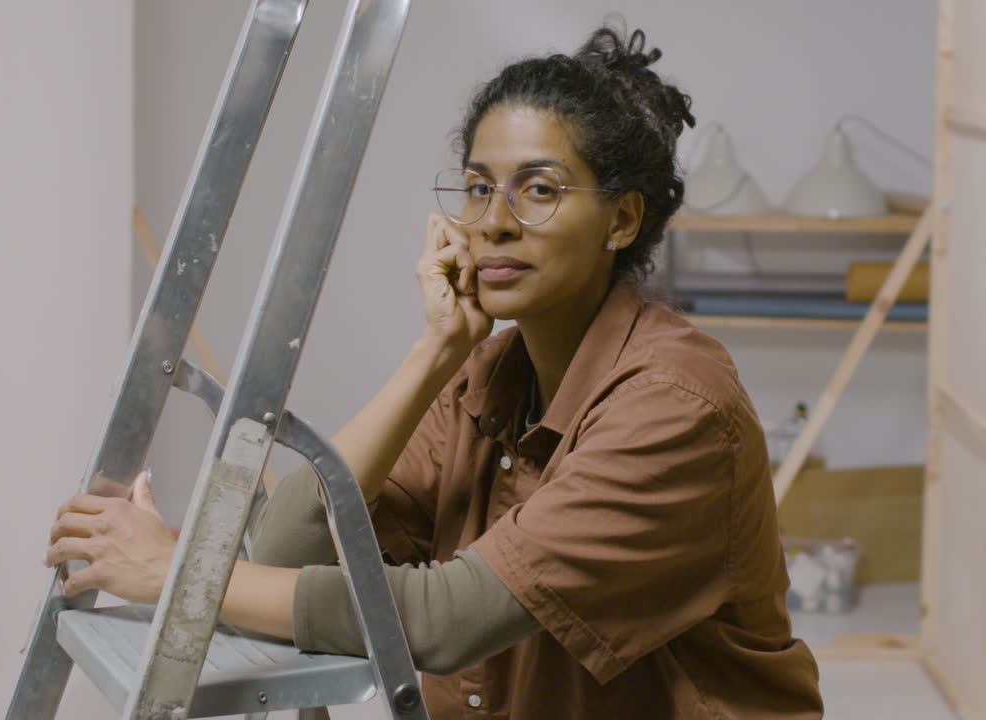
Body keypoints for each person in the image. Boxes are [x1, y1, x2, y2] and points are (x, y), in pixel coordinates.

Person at [46, 21, 824, 719]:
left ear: (622, 219)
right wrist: (434, 353)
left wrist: (182, 578)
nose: (493, 222)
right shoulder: (488, 374)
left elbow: (448, 619)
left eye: (539, 191)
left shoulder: (675, 408)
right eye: (480, 188)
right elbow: (288, 547)